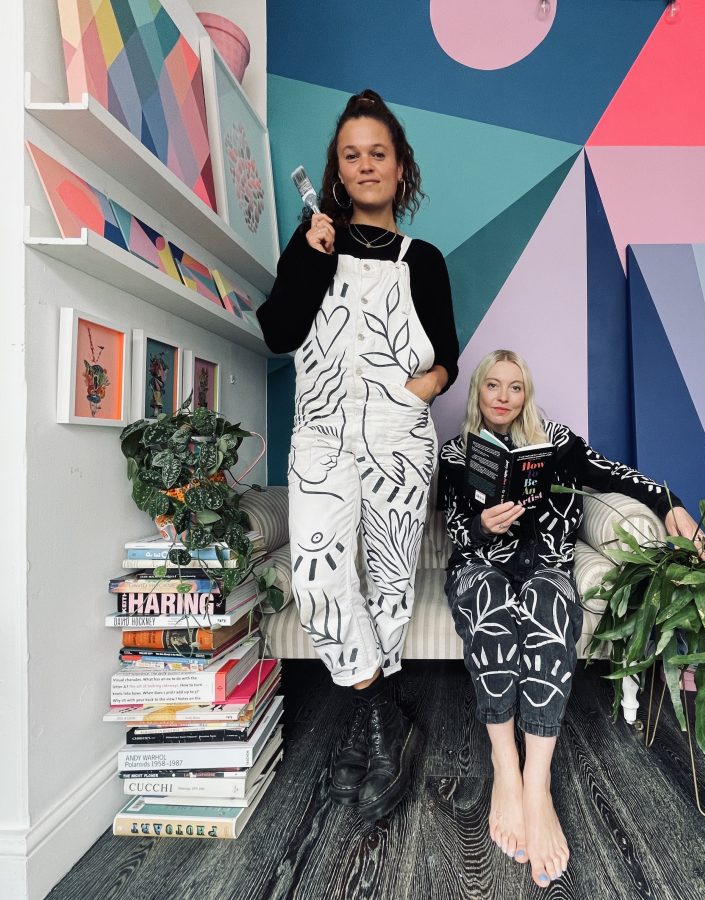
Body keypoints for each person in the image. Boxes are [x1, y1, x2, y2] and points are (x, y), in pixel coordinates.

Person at [258, 89, 459, 823]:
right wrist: (311, 259)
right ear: (336, 173)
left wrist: (430, 383)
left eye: (379, 152)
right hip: (321, 436)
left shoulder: (424, 259)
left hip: (400, 440)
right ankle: (386, 716)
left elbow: (449, 356)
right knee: (317, 575)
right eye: (352, 155)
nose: (366, 165)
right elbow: (279, 334)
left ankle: (371, 732)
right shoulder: (313, 239)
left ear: (400, 167)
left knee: (387, 585)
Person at [439, 350, 704, 888]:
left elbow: (617, 476)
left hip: (546, 568)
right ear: (478, 392)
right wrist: (484, 525)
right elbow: (452, 526)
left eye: (515, 387)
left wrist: (672, 504)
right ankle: (505, 771)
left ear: (526, 393)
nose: (503, 397)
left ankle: (536, 784)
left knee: (549, 606)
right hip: (479, 566)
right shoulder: (455, 451)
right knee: (489, 602)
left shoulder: (558, 444)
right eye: (493, 385)